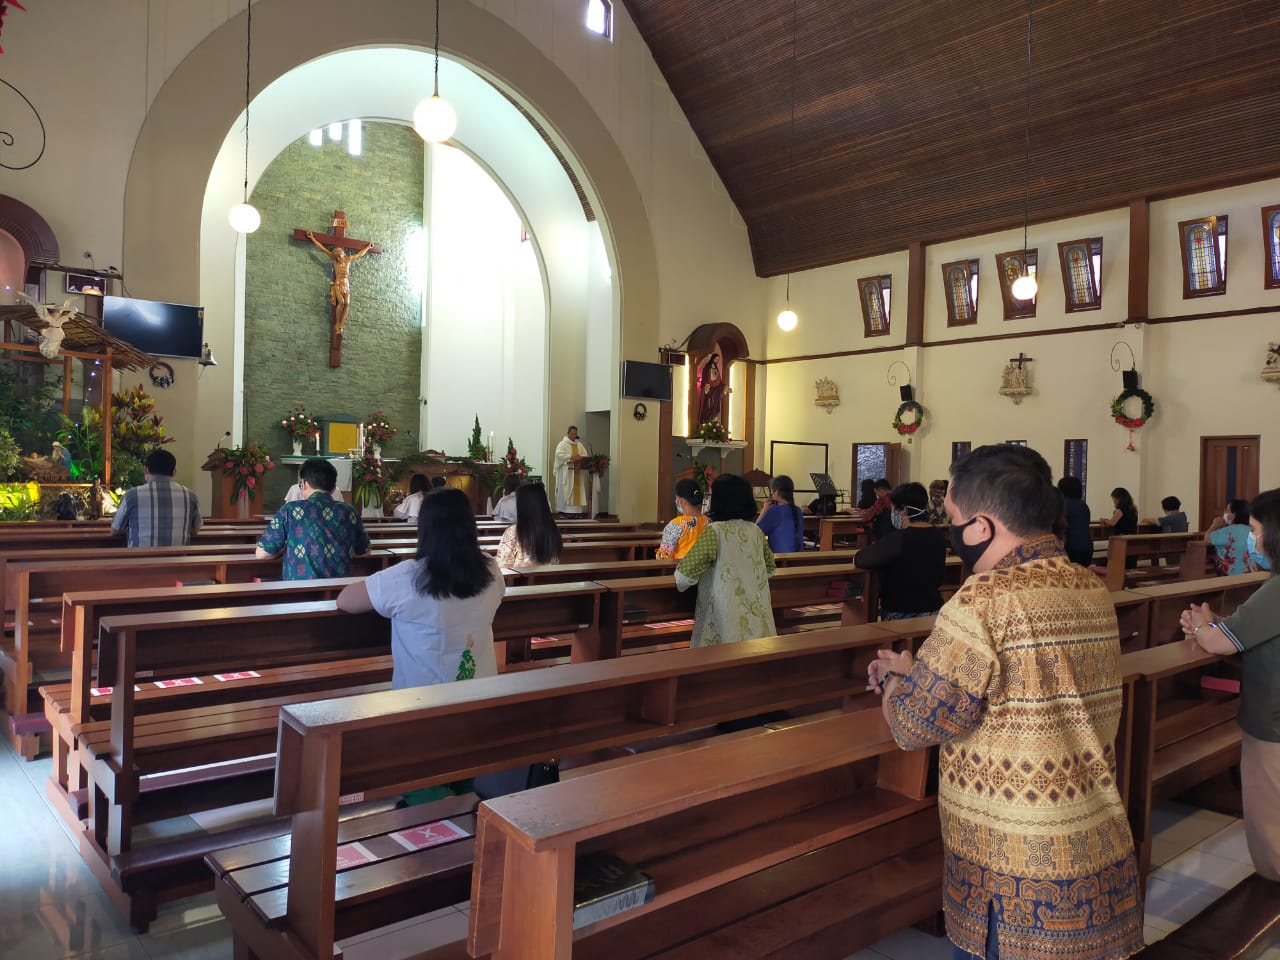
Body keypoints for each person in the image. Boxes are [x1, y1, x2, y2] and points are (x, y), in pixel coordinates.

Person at [867, 444, 1143, 960]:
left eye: (953, 519)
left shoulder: (980, 601)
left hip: (1011, 873)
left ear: (982, 527)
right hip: (1092, 845)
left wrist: (893, 683)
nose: (951, 534)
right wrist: (921, 670)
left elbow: (912, 726)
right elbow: (1029, 681)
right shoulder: (1089, 587)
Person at [1180, 487, 1280, 881]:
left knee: (1270, 817)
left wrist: (1204, 624)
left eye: (1257, 533)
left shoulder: (1277, 590)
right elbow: (1247, 631)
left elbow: (1220, 642)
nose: (1253, 541)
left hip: (1272, 724)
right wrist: (1217, 623)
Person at [337, 487, 504, 689]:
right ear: (470, 525)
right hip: (481, 697)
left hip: (421, 705)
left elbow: (345, 600)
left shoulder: (408, 576)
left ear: (425, 529)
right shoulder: (491, 570)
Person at [675, 473, 777, 647]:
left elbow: (683, 576)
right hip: (757, 617)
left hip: (725, 617)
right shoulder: (756, 531)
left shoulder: (716, 531)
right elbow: (770, 570)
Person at [256, 458, 370, 580]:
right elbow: (365, 551)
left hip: (299, 592)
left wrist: (285, 548)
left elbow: (262, 554)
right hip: (340, 592)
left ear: (304, 484)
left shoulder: (290, 510)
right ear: (333, 487)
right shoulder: (349, 511)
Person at [853, 482, 946, 620]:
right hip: (934, 612)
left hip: (901, 611)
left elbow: (861, 559)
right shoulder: (939, 536)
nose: (893, 514)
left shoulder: (898, 539)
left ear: (903, 510)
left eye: (893, 509)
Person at [111, 448, 202, 548]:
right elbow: (195, 529)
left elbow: (116, 530)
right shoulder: (190, 496)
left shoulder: (132, 495)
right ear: (174, 472)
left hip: (140, 561)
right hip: (178, 562)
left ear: (146, 469)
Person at [305, 230, 374, 337]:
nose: (341, 256)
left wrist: (368, 247)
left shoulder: (348, 259)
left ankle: (341, 325)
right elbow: (322, 248)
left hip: (346, 283)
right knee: (341, 303)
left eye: (341, 254)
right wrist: (312, 238)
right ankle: (337, 323)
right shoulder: (334, 260)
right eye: (340, 255)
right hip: (338, 284)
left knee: (347, 304)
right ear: (337, 256)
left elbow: (359, 254)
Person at [495, 481, 562, 568]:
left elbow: (503, 565)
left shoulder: (513, 532)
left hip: (521, 580)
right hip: (549, 579)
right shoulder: (553, 530)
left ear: (522, 506)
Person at [657, 478, 708, 560]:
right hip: (705, 571)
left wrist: (658, 556)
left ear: (681, 501)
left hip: (680, 570)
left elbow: (664, 556)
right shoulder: (709, 522)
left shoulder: (675, 524)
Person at [1207, 498, 1257, 575]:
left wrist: (1214, 526)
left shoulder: (1229, 530)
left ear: (1233, 515)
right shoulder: (1252, 530)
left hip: (1232, 574)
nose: (1224, 513)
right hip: (1251, 572)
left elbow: (1207, 539)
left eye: (1227, 510)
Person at [757, 474, 804, 553]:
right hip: (797, 558)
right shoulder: (798, 510)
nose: (771, 493)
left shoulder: (775, 510)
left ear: (777, 492)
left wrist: (764, 510)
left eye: (771, 490)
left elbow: (756, 532)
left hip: (780, 560)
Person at [553, 425, 589, 516]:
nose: (574, 436)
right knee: (566, 490)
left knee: (577, 492)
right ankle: (565, 511)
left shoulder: (579, 445)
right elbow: (558, 455)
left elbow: (585, 455)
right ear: (568, 433)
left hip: (577, 472)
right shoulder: (562, 444)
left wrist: (581, 458)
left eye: (575, 434)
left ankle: (576, 512)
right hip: (566, 472)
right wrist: (571, 457)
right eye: (572, 434)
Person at [1057, 475, 1093, 566]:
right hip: (1087, 547)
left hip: (1071, 547)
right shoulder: (1084, 505)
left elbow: (1060, 527)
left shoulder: (1063, 505)